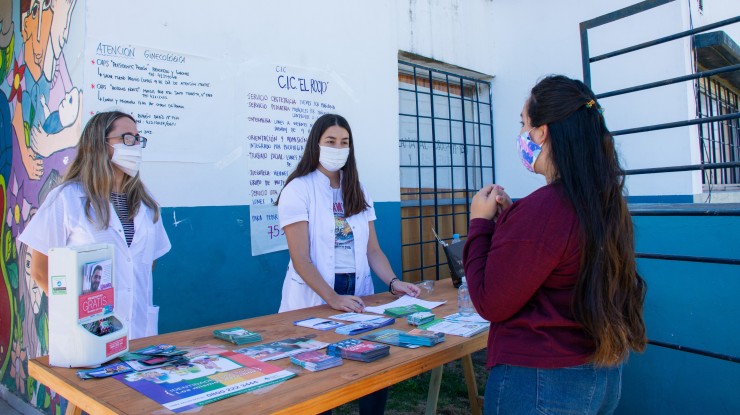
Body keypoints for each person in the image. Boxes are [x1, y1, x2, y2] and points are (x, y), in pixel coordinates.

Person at [463, 75, 647, 414]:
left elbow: (490, 301)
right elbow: (552, 262)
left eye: (524, 124)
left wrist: (480, 223)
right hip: (598, 373)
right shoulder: (601, 201)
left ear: (542, 132)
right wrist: (510, 221)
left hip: (542, 383)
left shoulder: (546, 208)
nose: (521, 134)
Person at [277, 113, 420, 415]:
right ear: (316, 144)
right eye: (330, 141)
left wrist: (394, 283)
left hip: (357, 292)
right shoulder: (297, 189)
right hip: (317, 294)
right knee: (317, 377)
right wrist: (333, 298)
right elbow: (300, 258)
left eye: (344, 142)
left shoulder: (358, 188)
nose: (338, 147)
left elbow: (373, 251)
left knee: (372, 367)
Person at [19, 110, 171, 340]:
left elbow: (145, 264)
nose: (135, 145)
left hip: (140, 333)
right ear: (99, 144)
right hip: (88, 336)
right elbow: (40, 270)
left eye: (138, 139)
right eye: (127, 138)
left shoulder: (146, 204)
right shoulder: (67, 198)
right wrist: (78, 314)